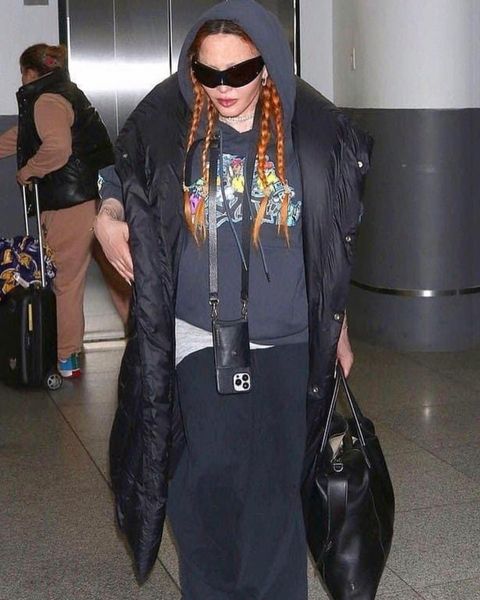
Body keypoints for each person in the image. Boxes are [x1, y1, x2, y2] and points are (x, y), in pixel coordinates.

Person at [95, 1, 372, 597]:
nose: (222, 87)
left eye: (238, 72)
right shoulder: (173, 128)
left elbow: (328, 243)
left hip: (287, 339)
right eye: (208, 72)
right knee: (205, 486)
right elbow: (123, 177)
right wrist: (106, 216)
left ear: (266, 66)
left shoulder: (310, 137)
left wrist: (339, 325)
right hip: (199, 334)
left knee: (274, 496)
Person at [0, 43, 130, 378]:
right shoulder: (65, 94)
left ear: (30, 72)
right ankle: (144, 345)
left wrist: (28, 171)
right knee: (119, 277)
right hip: (98, 198)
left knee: (65, 282)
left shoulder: (45, 100)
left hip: (71, 204)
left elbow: (57, 148)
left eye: (22, 72)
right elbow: (25, 135)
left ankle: (66, 357)